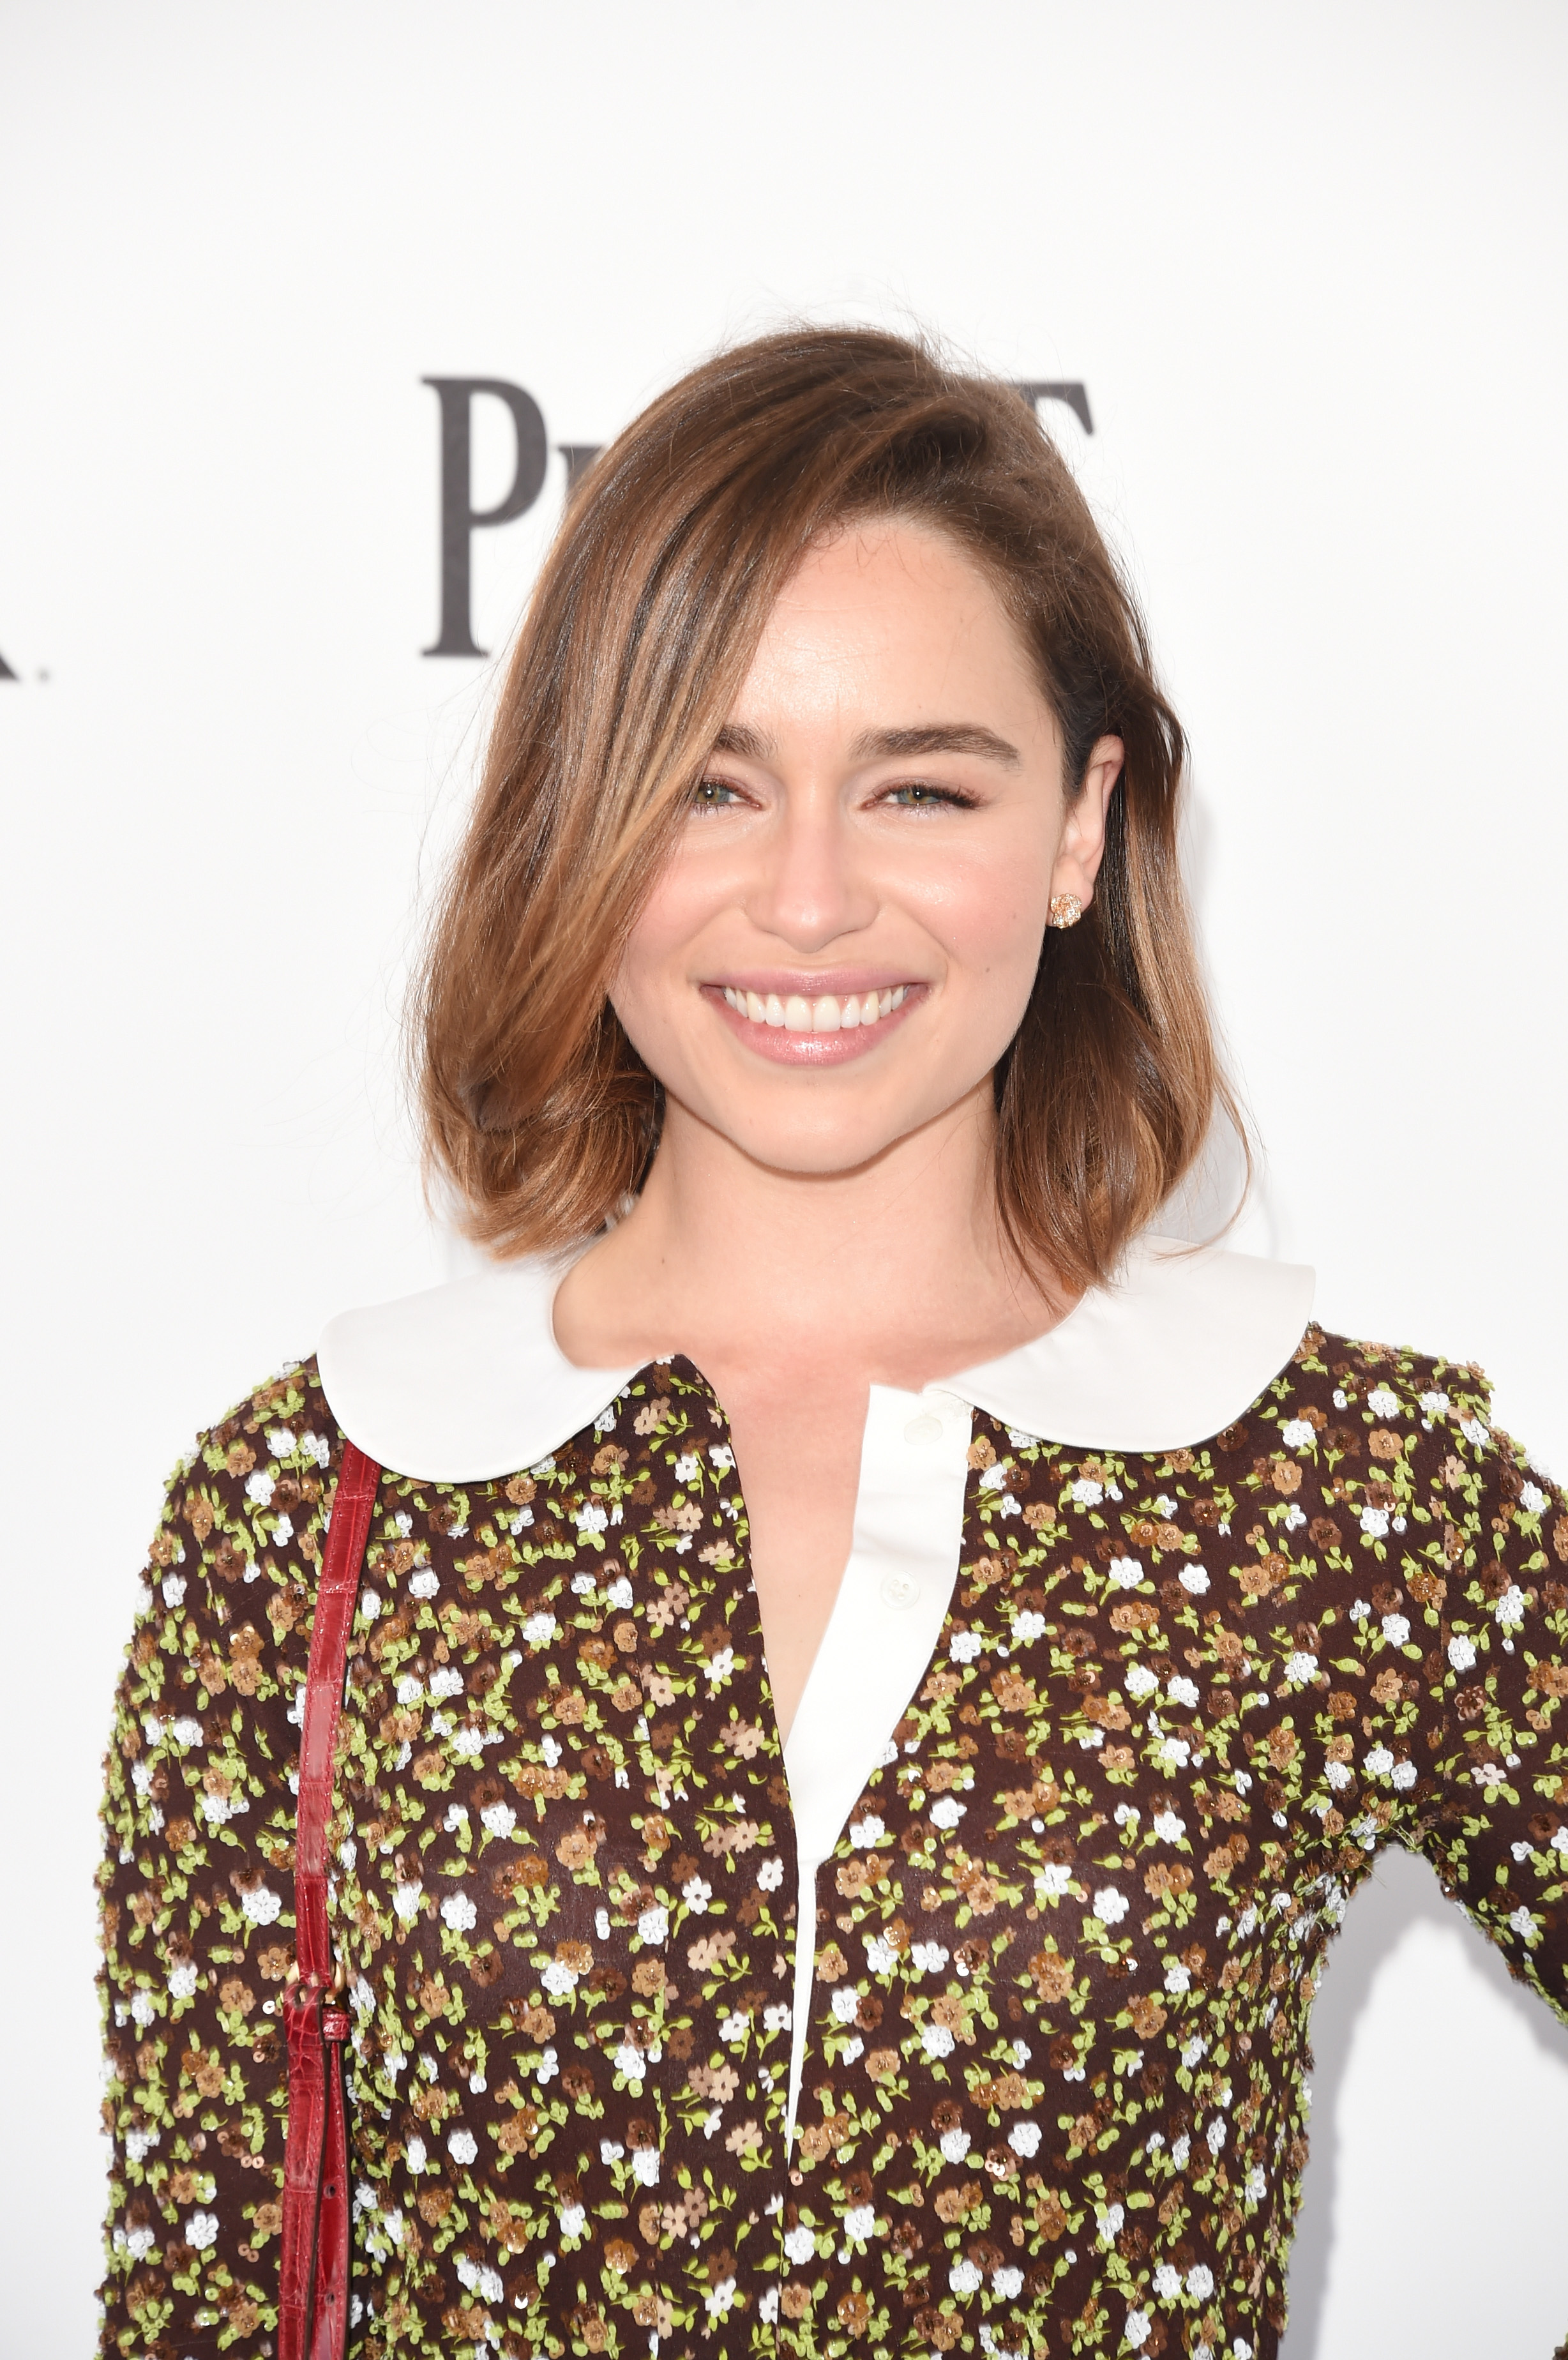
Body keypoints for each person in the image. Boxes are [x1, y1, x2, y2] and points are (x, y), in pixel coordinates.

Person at [97, 328, 1567, 2360]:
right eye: (711, 785)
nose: (807, 900)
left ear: (1081, 828)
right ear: (582, 823)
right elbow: (198, 2294)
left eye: (921, 787)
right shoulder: (305, 1502)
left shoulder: (1337, 1492)